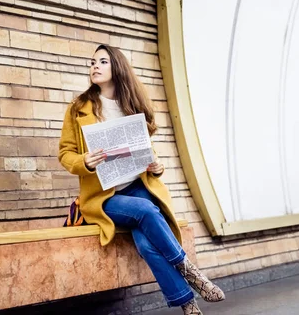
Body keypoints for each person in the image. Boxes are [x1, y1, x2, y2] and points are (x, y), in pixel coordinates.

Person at [58, 45, 225, 315]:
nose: (95, 66)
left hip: (139, 185)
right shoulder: (78, 108)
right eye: (92, 62)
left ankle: (188, 305)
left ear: (117, 67)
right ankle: (191, 272)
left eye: (102, 61)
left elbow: (142, 147)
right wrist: (84, 161)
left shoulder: (131, 105)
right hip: (104, 196)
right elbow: (65, 154)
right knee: (146, 210)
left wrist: (156, 165)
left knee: (147, 246)